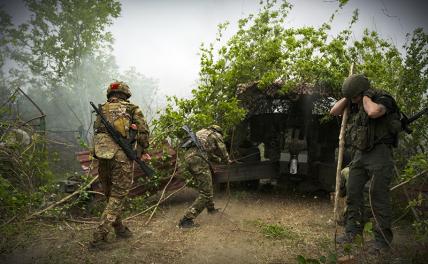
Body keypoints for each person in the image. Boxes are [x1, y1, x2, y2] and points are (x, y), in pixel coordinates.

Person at [330, 74, 401, 253]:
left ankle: (382, 241)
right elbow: (334, 111)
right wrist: (348, 97)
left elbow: (373, 112)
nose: (353, 101)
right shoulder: (354, 100)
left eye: (355, 97)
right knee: (353, 190)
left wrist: (366, 97)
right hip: (361, 154)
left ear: (363, 92)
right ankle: (352, 230)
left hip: (380, 153)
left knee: (378, 196)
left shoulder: (383, 99)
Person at [90, 81, 150, 249]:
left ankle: (119, 228)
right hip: (120, 156)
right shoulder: (132, 108)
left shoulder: (102, 109)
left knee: (109, 193)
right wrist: (142, 150)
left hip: (102, 155)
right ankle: (98, 237)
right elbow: (143, 131)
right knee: (118, 195)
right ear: (126, 94)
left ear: (110, 94)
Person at [178, 125, 232, 228]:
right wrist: (227, 160)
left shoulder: (202, 133)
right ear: (218, 131)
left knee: (207, 186)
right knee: (206, 192)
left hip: (189, 159)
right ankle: (186, 220)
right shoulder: (215, 135)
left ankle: (211, 209)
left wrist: (219, 160)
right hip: (198, 160)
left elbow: (210, 155)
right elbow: (222, 150)